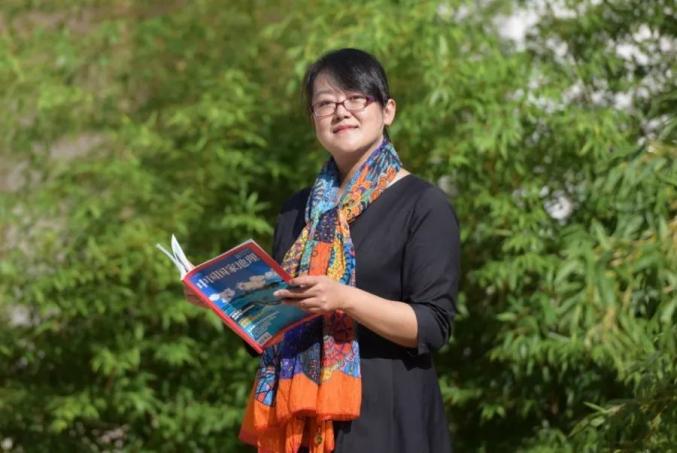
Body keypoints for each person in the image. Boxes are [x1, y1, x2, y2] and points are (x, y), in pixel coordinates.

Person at [185, 48, 460, 453]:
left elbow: (432, 325)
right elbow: (274, 328)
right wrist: (224, 302)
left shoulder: (422, 204)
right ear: (314, 119)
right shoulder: (297, 210)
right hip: (300, 423)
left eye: (356, 98)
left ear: (387, 111)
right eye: (326, 103)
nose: (341, 111)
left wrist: (344, 298)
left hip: (388, 420)